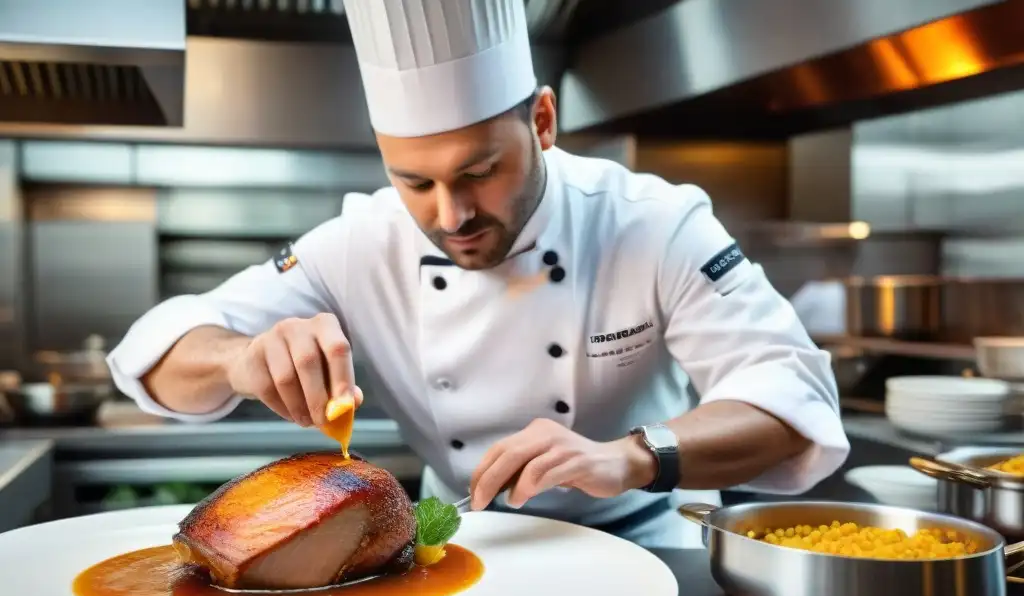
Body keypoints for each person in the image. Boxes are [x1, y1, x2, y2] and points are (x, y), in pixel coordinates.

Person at [107, 0, 850, 548]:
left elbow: (791, 398)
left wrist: (631, 455)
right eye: (415, 182)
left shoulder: (653, 222)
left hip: (653, 541)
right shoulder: (359, 243)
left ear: (544, 123)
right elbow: (159, 350)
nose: (452, 212)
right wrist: (240, 358)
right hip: (459, 543)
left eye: (480, 171)